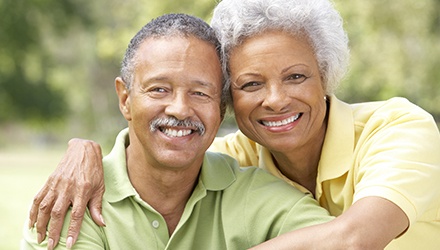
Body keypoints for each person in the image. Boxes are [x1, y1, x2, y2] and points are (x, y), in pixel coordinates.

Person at [28, 0, 440, 249]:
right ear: (230, 100)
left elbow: (354, 240)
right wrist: (84, 150)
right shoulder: (231, 160)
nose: (276, 99)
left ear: (325, 77)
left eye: (296, 76)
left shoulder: (398, 128)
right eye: (251, 83)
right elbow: (163, 146)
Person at [22, 13, 335, 250]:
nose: (180, 109)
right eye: (159, 89)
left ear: (221, 107)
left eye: (200, 93)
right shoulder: (71, 200)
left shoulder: (261, 197)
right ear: (125, 99)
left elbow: (346, 241)